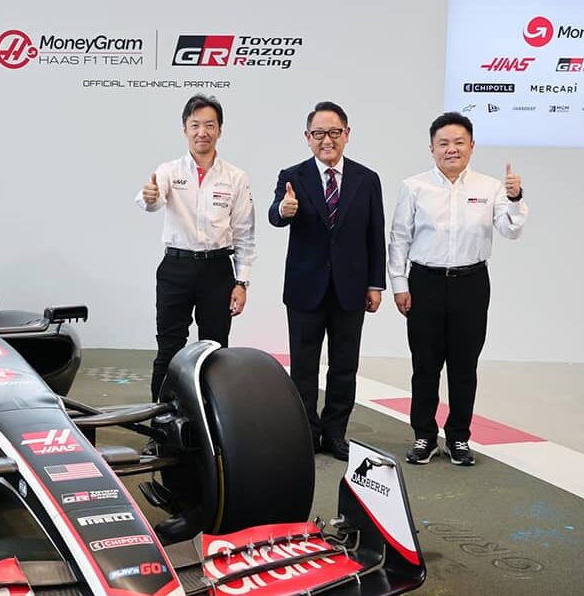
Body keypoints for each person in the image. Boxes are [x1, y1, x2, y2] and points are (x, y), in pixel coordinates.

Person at [388, 111, 528, 466]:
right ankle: (423, 436)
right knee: (425, 365)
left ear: (472, 146)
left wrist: (515, 198)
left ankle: (459, 437)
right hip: (424, 283)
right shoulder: (414, 186)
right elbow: (399, 239)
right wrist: (399, 285)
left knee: (464, 366)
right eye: (444, 143)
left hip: (471, 283)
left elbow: (511, 230)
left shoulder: (490, 187)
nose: (452, 149)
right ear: (432, 148)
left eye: (459, 142)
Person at [268, 101, 385, 461]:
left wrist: (375, 284)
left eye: (334, 133)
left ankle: (335, 434)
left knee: (344, 366)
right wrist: (283, 210)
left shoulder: (367, 179)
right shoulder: (293, 176)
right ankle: (307, 432)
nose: (327, 140)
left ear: (347, 134)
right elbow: (276, 214)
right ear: (308, 137)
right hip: (306, 289)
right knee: (303, 367)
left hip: (350, 289)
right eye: (318, 134)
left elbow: (375, 234)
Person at [136, 94, 256, 401]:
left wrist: (241, 283)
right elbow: (151, 200)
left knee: (215, 352)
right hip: (176, 269)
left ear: (220, 130)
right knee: (169, 348)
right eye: (195, 125)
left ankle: (214, 428)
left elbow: (245, 234)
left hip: (218, 271)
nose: (202, 132)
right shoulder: (168, 171)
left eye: (209, 125)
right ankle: (162, 425)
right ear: (184, 129)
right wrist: (149, 197)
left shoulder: (236, 177)